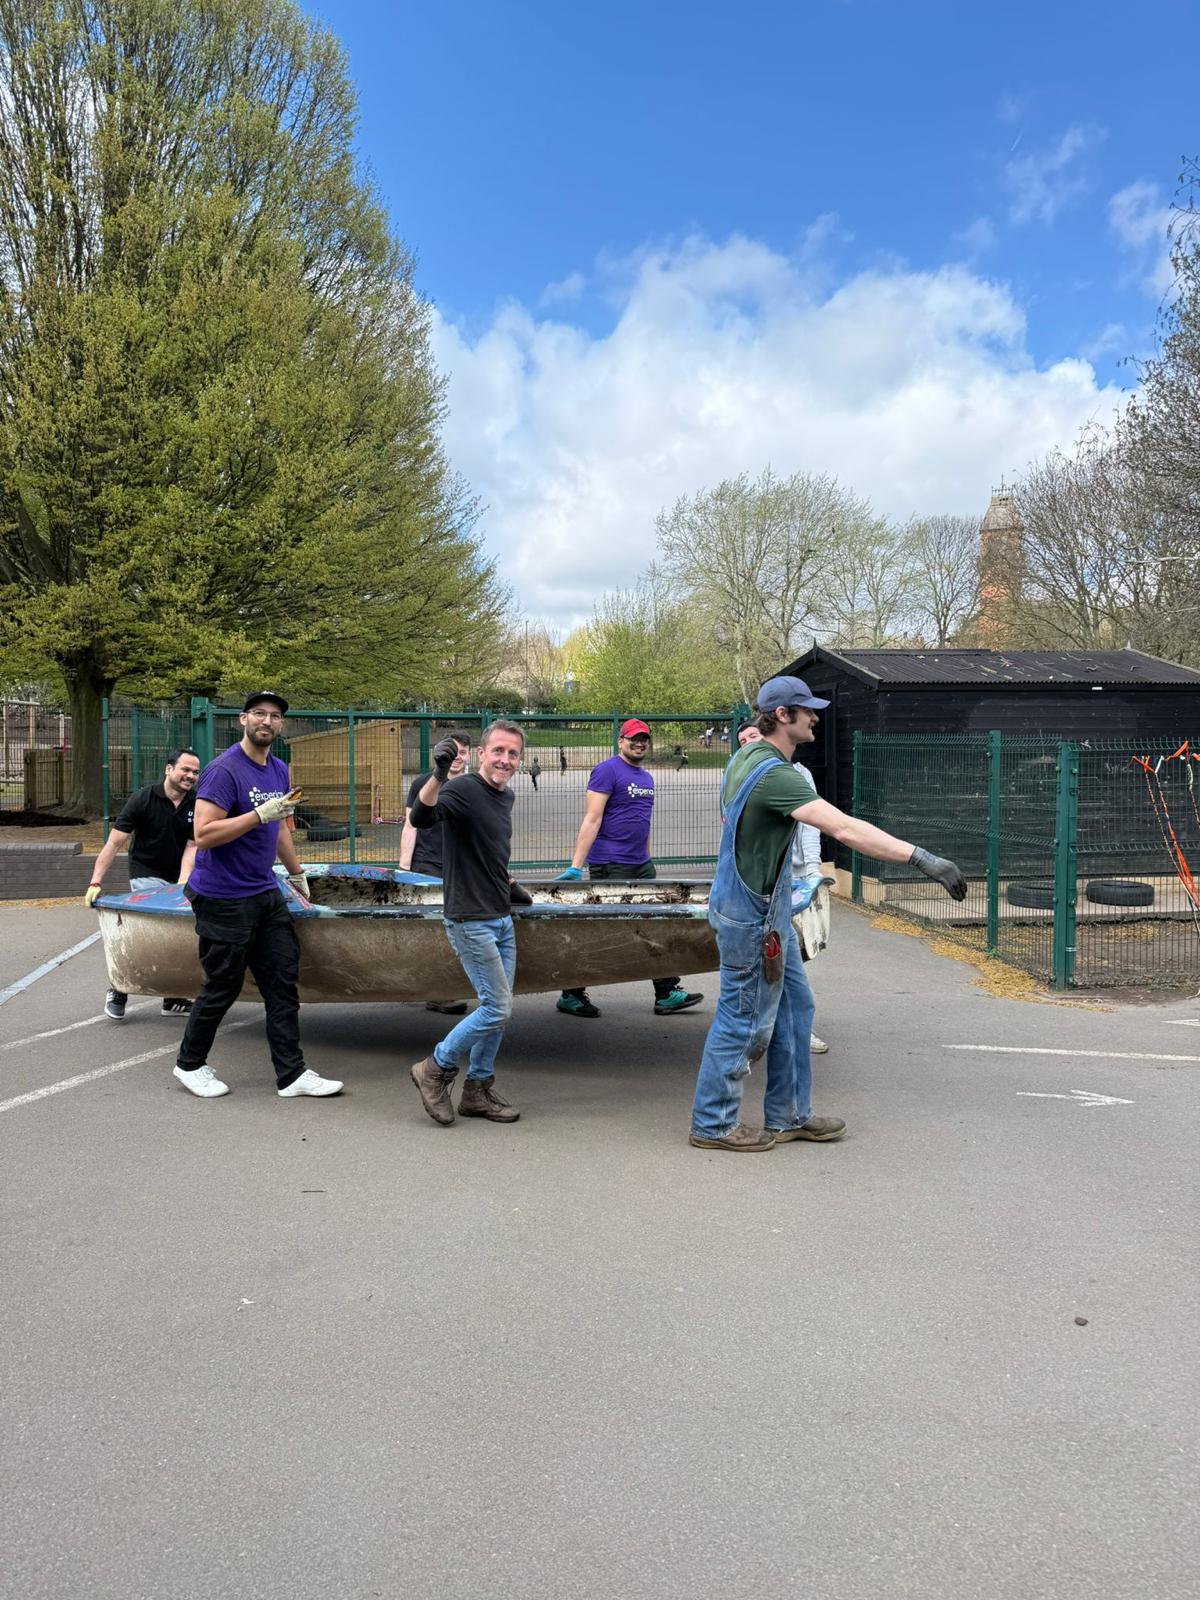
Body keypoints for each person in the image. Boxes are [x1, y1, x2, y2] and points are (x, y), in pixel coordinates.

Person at [690, 675, 966, 1153]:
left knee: (796, 1009)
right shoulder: (774, 775)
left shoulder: (749, 757)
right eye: (807, 709)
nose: (816, 716)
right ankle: (712, 1124)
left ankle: (788, 1116)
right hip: (749, 916)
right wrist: (921, 857)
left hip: (764, 908)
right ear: (782, 716)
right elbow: (843, 826)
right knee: (743, 1020)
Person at [172, 691, 342, 1101]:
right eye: (259, 714)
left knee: (283, 982)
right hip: (223, 896)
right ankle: (189, 1065)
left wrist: (298, 876)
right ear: (243, 720)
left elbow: (280, 828)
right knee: (223, 986)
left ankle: (292, 1074)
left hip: (265, 891)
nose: (267, 721)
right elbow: (204, 836)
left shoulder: (279, 769)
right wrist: (256, 816)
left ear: (280, 725)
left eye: (275, 716)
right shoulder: (222, 771)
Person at [408, 721, 529, 1127]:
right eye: (498, 751)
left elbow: (489, 850)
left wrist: (509, 883)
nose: (505, 760)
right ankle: (435, 1068)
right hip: (469, 918)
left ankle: (477, 1091)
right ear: (481, 753)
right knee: (498, 1006)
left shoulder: (505, 796)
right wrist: (439, 775)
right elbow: (423, 817)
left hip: (499, 917)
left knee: (498, 1010)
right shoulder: (461, 790)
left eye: (512, 754)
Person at [554, 718, 703, 1019]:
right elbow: (592, 818)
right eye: (633, 738)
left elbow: (642, 823)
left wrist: (646, 861)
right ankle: (571, 993)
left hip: (640, 866)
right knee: (605, 932)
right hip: (610, 865)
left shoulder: (647, 778)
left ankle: (666, 993)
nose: (639, 743)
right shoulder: (607, 770)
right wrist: (576, 866)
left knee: (656, 925)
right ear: (620, 741)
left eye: (644, 739)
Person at [85, 748, 201, 1019]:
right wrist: (95, 881)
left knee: (176, 936)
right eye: (185, 769)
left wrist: (182, 883)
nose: (190, 776)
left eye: (195, 772)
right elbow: (114, 843)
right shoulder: (142, 800)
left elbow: (192, 845)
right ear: (169, 769)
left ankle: (172, 999)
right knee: (147, 934)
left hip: (178, 875)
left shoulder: (196, 803)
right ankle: (118, 989)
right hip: (145, 872)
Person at [399, 730, 474, 1017]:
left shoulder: (473, 785)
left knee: (459, 929)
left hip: (461, 867)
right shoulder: (422, 782)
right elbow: (410, 825)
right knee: (432, 930)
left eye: (463, 752)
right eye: (453, 751)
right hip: (427, 864)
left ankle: (447, 986)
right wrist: (405, 867)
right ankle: (437, 991)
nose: (457, 758)